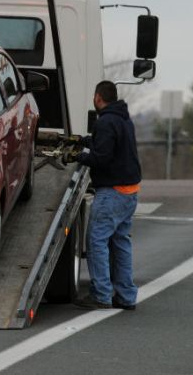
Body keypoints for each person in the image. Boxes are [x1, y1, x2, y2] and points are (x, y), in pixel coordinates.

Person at [72, 80, 141, 311]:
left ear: (98, 98)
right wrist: (85, 141)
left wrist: (78, 156)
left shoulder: (105, 121)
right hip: (130, 192)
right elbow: (108, 145)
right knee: (120, 242)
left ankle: (101, 294)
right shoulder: (123, 119)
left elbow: (101, 158)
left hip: (111, 192)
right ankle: (126, 295)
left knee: (96, 241)